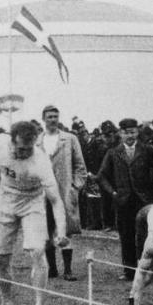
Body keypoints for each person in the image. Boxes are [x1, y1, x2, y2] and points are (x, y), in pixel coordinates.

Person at [0, 121, 69, 305]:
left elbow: (56, 201)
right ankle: (6, 303)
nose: (24, 152)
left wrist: (61, 232)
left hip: (32, 202)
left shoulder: (40, 162)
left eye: (29, 148)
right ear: (11, 140)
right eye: (20, 148)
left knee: (37, 250)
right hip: (6, 198)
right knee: (0, 255)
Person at [98, 118, 153, 281]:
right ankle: (129, 271)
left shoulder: (148, 150)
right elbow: (102, 176)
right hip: (123, 201)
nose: (129, 136)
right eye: (126, 132)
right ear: (120, 133)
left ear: (137, 132)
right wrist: (113, 193)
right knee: (126, 235)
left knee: (150, 235)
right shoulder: (113, 152)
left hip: (145, 201)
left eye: (132, 132)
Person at [37, 104, 87, 281]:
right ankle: (52, 268)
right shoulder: (37, 141)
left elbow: (80, 166)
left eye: (55, 117)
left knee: (65, 229)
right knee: (46, 228)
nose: (53, 120)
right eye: (49, 117)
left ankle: (68, 269)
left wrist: (75, 187)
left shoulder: (70, 139)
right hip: (42, 193)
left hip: (64, 191)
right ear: (43, 118)